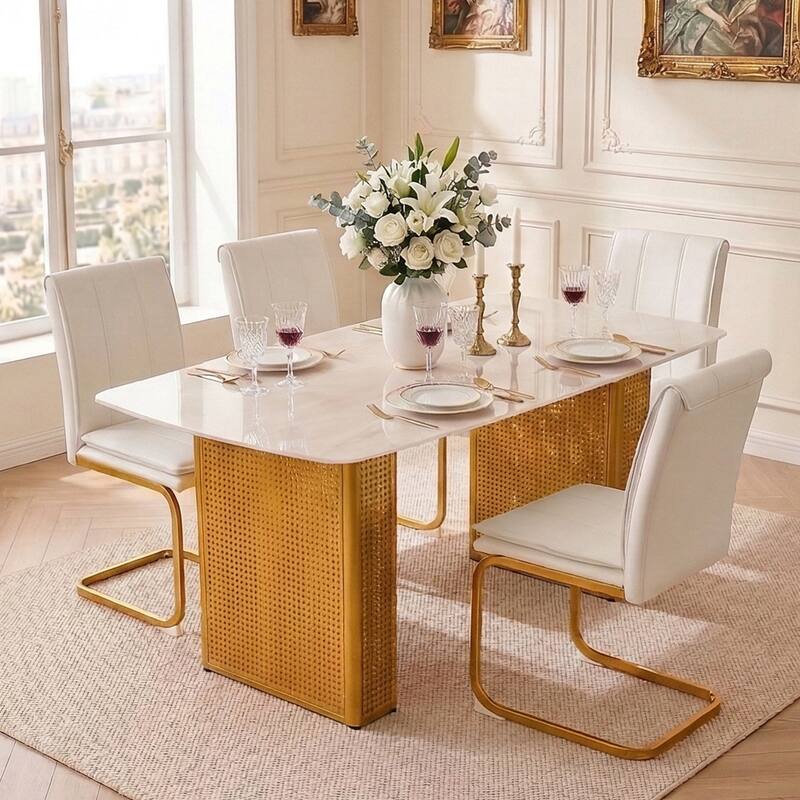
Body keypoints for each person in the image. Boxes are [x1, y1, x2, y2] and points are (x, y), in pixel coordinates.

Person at [663, 0, 784, 57]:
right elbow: (699, 4)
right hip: (702, 15)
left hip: (727, 15)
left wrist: (740, 13)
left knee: (752, 37)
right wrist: (718, 19)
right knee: (724, 49)